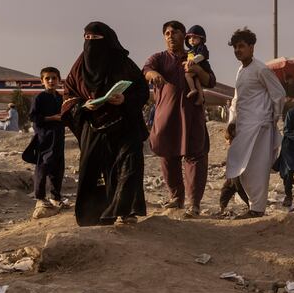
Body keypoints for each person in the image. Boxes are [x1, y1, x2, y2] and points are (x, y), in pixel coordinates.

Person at [62, 21, 149, 226]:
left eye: (95, 39)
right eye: (87, 38)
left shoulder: (123, 64)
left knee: (127, 167)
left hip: (124, 125)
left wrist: (124, 100)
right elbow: (69, 95)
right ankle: (93, 216)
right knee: (91, 171)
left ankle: (125, 212)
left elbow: (142, 90)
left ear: (107, 41)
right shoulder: (78, 67)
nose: (90, 43)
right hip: (94, 128)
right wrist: (84, 105)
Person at [143, 20, 217, 218]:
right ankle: (176, 198)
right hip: (166, 116)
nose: (170, 35)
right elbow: (146, 70)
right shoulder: (159, 58)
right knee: (168, 155)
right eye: (166, 32)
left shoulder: (194, 56)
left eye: (174, 32)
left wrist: (197, 70)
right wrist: (153, 74)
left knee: (195, 156)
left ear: (183, 36)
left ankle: (194, 203)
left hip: (192, 115)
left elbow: (210, 80)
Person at [224, 27, 287, 218]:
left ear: (251, 47)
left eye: (241, 46)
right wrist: (231, 122)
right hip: (244, 127)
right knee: (242, 167)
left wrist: (271, 119)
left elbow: (279, 94)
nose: (238, 50)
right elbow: (236, 99)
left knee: (257, 168)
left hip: (261, 126)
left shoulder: (261, 69)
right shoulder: (240, 71)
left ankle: (257, 209)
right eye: (235, 47)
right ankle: (253, 206)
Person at [26, 67, 67, 212]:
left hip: (59, 138)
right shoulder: (39, 98)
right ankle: (40, 198)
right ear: (42, 81)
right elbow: (34, 117)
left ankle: (56, 198)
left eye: (54, 78)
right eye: (47, 78)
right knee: (43, 167)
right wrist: (52, 118)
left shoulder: (61, 98)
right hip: (44, 138)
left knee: (58, 167)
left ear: (59, 80)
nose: (51, 81)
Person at [184, 25, 210, 106]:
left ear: (201, 39)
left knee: (187, 75)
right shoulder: (191, 50)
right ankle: (200, 97)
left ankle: (193, 89)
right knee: (197, 81)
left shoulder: (202, 47)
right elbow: (189, 58)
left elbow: (201, 56)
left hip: (202, 67)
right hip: (195, 68)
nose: (192, 40)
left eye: (195, 37)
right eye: (190, 38)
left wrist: (192, 61)